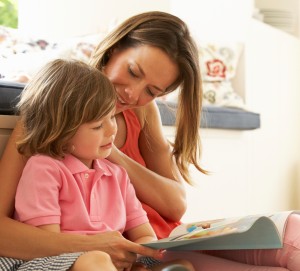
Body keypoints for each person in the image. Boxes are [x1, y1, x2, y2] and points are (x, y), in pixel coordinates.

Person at [0, 10, 299, 271]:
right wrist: (102, 247)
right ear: (113, 48)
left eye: (152, 91)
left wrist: (110, 153)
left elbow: (175, 204)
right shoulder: (55, 111)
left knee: (292, 230)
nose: (133, 94)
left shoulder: (141, 114)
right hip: (123, 257)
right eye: (132, 72)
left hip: (161, 246)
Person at [0, 58, 194, 271]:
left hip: (110, 261)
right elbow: (50, 243)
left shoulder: (117, 175)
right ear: (62, 132)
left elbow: (144, 234)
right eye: (98, 126)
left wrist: (137, 258)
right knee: (96, 262)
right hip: (53, 259)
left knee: (181, 265)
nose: (112, 130)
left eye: (112, 117)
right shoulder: (44, 169)